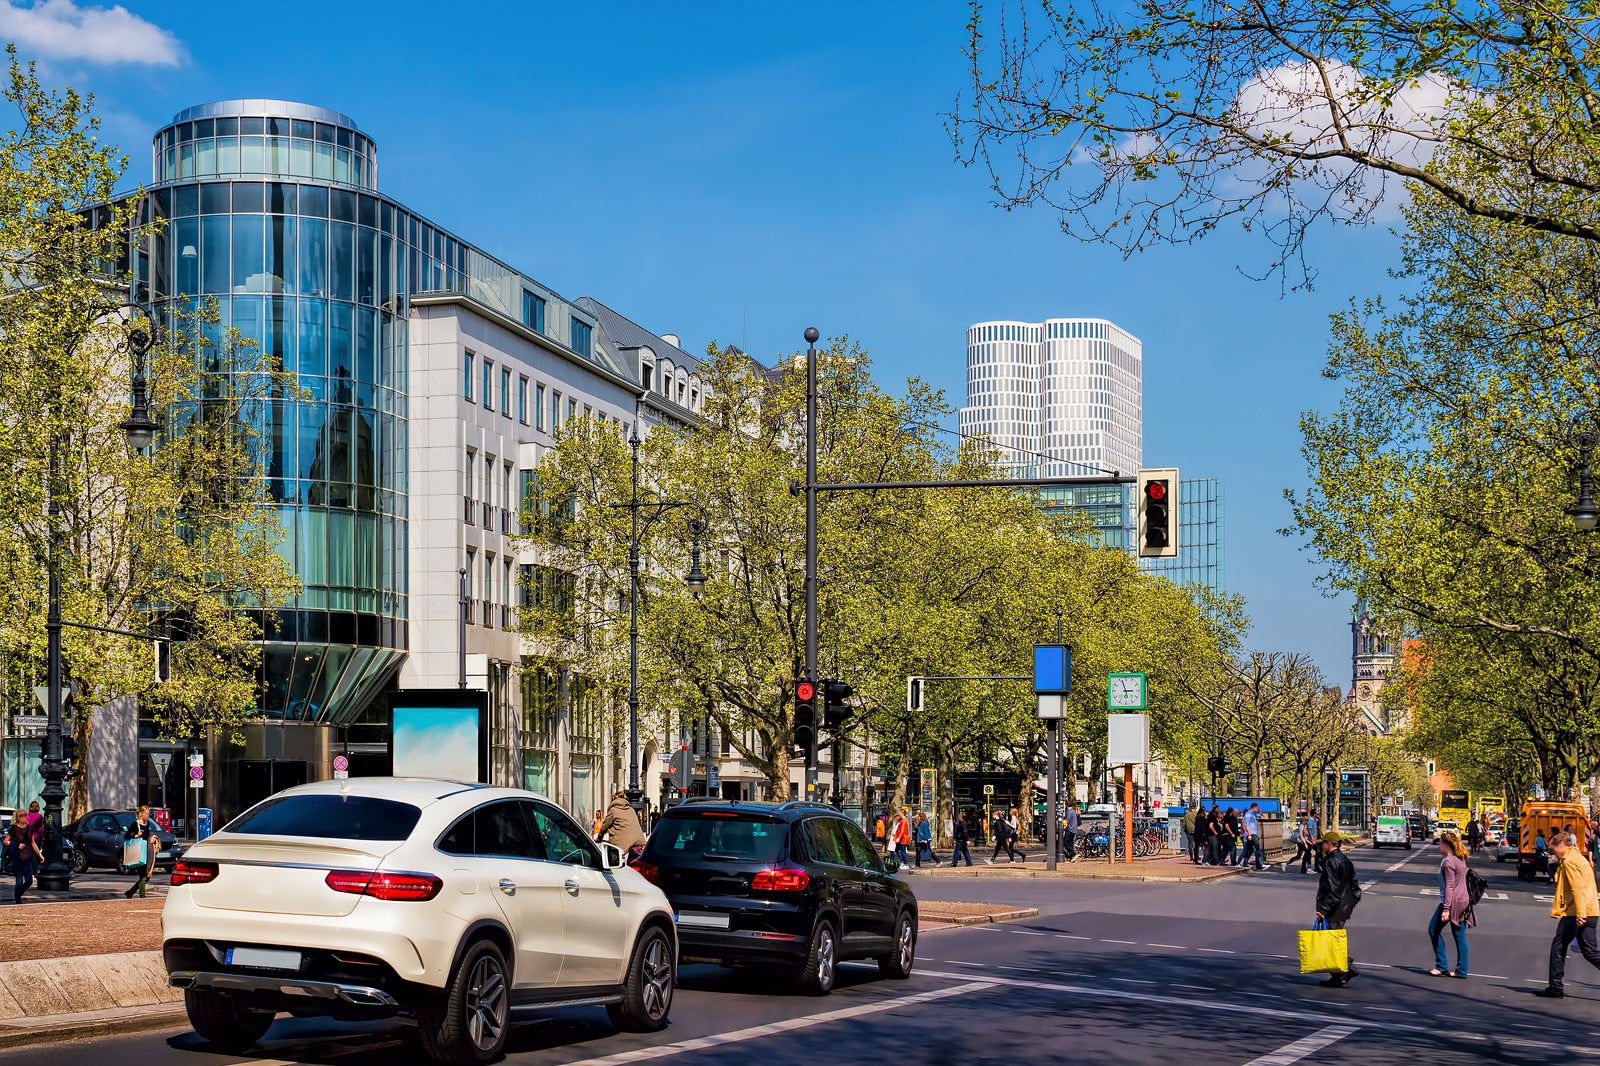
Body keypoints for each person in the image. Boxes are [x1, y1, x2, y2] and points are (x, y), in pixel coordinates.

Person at [1535, 832, 1600, 998]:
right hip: (1591, 910)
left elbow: (1577, 889)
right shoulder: (1577, 857)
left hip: (1576, 912)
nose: (1552, 853)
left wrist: (1580, 914)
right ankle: (1555, 986)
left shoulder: (1570, 862)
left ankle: (1555, 987)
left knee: (1558, 947)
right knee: (1590, 952)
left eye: (1553, 849)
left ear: (1562, 845)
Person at [1314, 830, 1362, 987]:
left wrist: (1324, 909)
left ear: (1329, 844)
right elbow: (1355, 887)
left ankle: (1347, 968)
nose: (1321, 845)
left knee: (1331, 942)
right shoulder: (1345, 860)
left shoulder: (1331, 861)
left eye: (1323, 843)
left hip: (1334, 908)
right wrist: (1350, 903)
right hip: (1343, 907)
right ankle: (1339, 977)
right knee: (1333, 941)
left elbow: (1333, 889)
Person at [1429, 831, 1472, 978]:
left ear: (1446, 845)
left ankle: (1441, 965)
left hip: (1452, 902)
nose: (1438, 846)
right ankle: (1462, 970)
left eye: (1440, 843)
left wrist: (1446, 909)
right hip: (1463, 901)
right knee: (1459, 935)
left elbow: (1450, 886)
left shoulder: (1448, 862)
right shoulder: (1460, 858)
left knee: (1433, 930)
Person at [122, 805, 161, 900]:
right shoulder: (135, 824)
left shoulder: (147, 824)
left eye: (148, 814)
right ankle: (142, 897)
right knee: (144, 876)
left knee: (144, 876)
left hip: (146, 852)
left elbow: (146, 837)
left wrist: (151, 839)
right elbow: (126, 836)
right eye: (146, 814)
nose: (148, 815)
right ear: (141, 814)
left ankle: (130, 892)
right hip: (138, 853)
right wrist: (136, 835)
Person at [595, 790, 646, 859]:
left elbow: (604, 826)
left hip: (623, 845)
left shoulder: (613, 810)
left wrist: (599, 839)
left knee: (615, 861)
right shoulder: (631, 809)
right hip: (639, 841)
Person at [4, 816, 40, 905]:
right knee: (19, 881)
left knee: (29, 881)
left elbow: (33, 842)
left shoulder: (29, 829)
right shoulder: (14, 829)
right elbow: (5, 841)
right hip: (17, 857)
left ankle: (18, 894)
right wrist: (16, 845)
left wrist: (39, 854)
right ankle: (18, 899)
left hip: (27, 857)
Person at [1240, 802, 1265, 871]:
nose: (1257, 809)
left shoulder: (1253, 814)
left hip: (1254, 833)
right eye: (1256, 808)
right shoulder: (1248, 815)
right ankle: (1258, 864)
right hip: (1251, 834)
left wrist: (1259, 810)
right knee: (1257, 848)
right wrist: (1249, 834)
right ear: (1253, 807)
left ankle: (1245, 862)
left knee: (1250, 849)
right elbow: (1247, 825)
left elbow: (1261, 814)